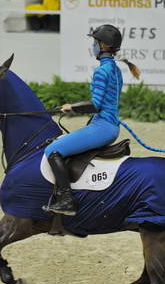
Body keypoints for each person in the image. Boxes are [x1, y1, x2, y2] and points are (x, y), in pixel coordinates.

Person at [43, 24, 140, 216]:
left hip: (102, 127)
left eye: (94, 42)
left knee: (52, 150)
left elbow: (95, 104)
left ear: (103, 45)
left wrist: (72, 107)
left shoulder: (101, 71)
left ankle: (66, 200)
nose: (93, 46)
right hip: (108, 125)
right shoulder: (115, 69)